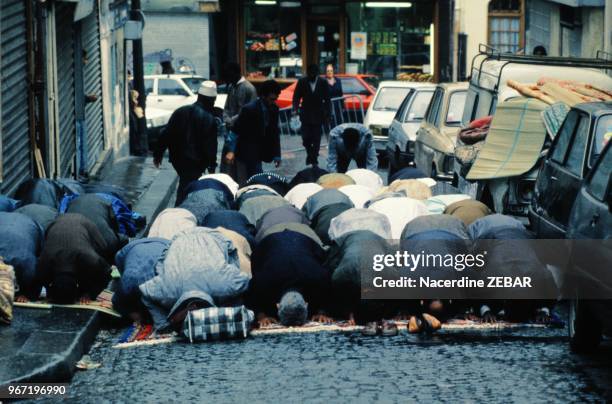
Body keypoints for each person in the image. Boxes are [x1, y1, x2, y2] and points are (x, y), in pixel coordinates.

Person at [154, 81, 219, 205]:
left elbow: (166, 133)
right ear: (212, 100)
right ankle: (180, 212)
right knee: (186, 188)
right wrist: (212, 166)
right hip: (195, 162)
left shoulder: (180, 111)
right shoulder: (209, 119)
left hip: (177, 159)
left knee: (186, 184)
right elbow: (210, 146)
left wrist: (158, 153)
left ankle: (183, 209)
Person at [37, 214, 114, 304]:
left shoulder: (91, 259)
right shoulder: (45, 262)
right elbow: (41, 280)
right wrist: (49, 291)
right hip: (56, 224)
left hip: (86, 225)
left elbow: (107, 273)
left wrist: (90, 293)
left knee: (103, 252)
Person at [228, 80, 282, 186]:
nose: (273, 102)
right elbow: (235, 131)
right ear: (263, 96)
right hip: (246, 150)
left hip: (261, 150)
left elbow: (275, 132)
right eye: (271, 99)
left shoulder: (274, 109)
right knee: (249, 180)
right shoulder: (249, 109)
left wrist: (277, 155)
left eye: (275, 99)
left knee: (256, 179)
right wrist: (231, 151)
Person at [221, 62, 258, 177]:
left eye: (229, 75)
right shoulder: (232, 87)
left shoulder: (249, 88)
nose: (227, 78)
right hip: (230, 132)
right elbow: (226, 107)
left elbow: (248, 112)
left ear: (236, 73)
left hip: (243, 135)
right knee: (227, 168)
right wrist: (227, 119)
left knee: (241, 169)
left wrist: (232, 120)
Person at [292, 64, 331, 167]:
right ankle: (310, 155)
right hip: (305, 114)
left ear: (317, 74)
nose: (312, 76)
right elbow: (296, 97)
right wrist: (295, 109)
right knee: (306, 139)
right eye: (310, 74)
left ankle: (314, 160)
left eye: (314, 74)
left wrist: (328, 114)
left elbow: (327, 99)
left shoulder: (323, 82)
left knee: (317, 139)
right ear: (307, 73)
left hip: (319, 115)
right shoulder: (302, 82)